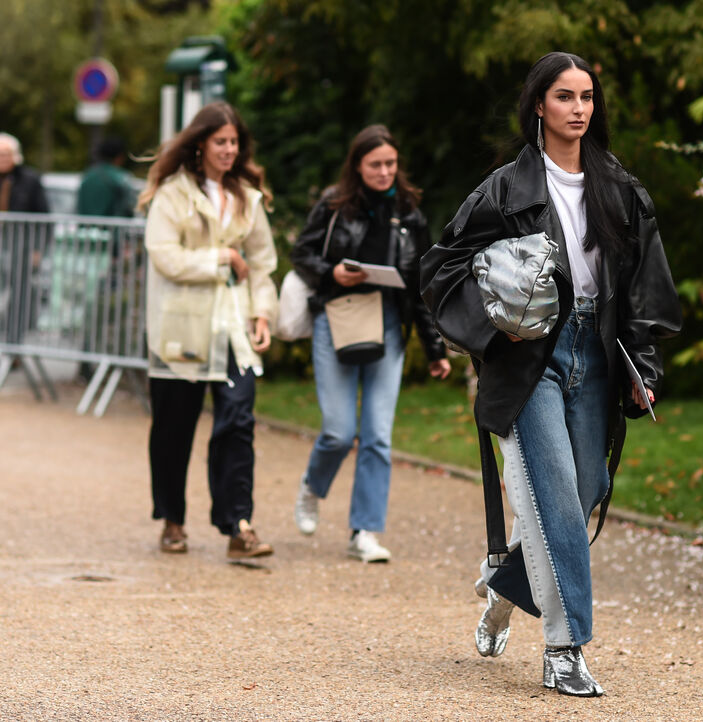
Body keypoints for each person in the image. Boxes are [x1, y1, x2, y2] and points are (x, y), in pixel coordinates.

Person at [419, 52, 681, 696]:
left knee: (585, 488)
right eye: (565, 97)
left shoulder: (620, 188)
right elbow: (441, 269)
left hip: (596, 350)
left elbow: (647, 287)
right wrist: (494, 320)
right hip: (526, 355)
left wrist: (642, 364)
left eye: (587, 97)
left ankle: (507, 584)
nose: (579, 108)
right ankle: (566, 649)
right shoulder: (504, 189)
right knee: (556, 495)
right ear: (539, 105)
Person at [289, 124, 451, 562]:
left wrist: (435, 350)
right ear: (357, 166)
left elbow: (420, 287)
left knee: (378, 435)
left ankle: (364, 531)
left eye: (390, 164)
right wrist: (332, 273)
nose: (384, 172)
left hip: (388, 324)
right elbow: (302, 253)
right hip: (337, 319)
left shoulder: (409, 213)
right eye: (375, 164)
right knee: (339, 431)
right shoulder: (334, 205)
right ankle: (311, 487)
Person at [137, 101, 278, 559]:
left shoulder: (247, 197)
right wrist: (220, 257)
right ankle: (172, 520)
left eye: (235, 142)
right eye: (221, 141)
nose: (229, 150)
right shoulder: (172, 195)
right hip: (181, 329)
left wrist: (262, 315)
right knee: (174, 427)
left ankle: (238, 524)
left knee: (237, 423)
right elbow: (166, 256)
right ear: (200, 143)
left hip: (233, 328)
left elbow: (261, 263)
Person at [0, 132, 49, 352]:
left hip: (21, 245)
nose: (3, 159)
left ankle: (14, 346)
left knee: (19, 295)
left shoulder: (30, 179)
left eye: (6, 154)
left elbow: (44, 216)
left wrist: (38, 249)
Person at [77, 137, 136, 218]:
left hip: (86, 228)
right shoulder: (122, 178)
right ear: (120, 156)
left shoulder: (87, 175)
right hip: (113, 228)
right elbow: (129, 207)